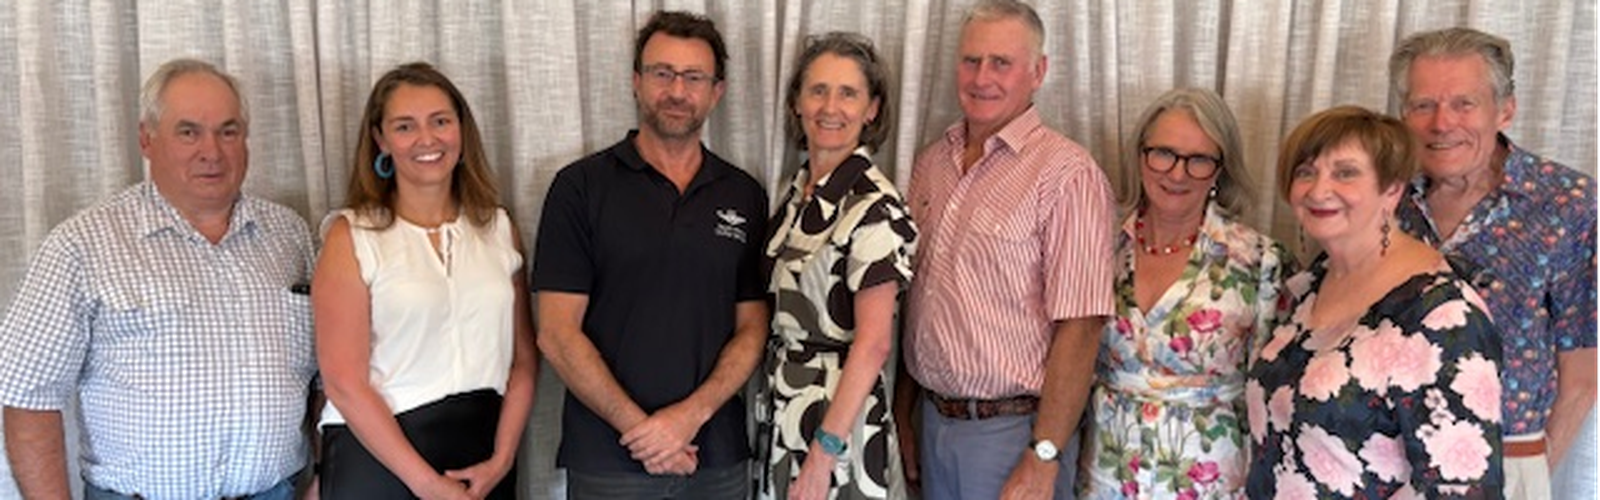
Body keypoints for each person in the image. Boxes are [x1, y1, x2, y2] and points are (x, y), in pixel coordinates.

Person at [0, 58, 316, 499]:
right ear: (146, 140)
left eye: (228, 131)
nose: (212, 151)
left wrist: (326, 478)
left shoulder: (291, 235)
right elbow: (29, 394)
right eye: (188, 132)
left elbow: (330, 378)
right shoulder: (83, 243)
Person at [532, 10, 768, 500]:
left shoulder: (745, 195)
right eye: (662, 73)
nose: (677, 91)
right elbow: (556, 333)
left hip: (715, 454)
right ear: (637, 82)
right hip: (609, 456)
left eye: (693, 77)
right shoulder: (579, 188)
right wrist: (645, 432)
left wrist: (689, 417)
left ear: (716, 92)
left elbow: (752, 328)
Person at [894, 1, 1117, 499]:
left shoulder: (1067, 176)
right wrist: (902, 414)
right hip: (932, 421)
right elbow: (918, 303)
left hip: (1015, 433)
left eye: (1002, 63)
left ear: (1038, 72)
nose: (982, 77)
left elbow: (1079, 330)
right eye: (971, 60)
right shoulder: (932, 164)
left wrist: (1044, 455)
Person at [1246, 106, 1504, 498]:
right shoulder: (1314, 283)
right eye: (1306, 172)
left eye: (1345, 172)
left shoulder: (1443, 314)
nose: (1318, 190)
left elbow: (1463, 490)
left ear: (1392, 189)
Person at [1388, 26, 1598, 500]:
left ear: (1505, 109)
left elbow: (1584, 376)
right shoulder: (1381, 198)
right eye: (1423, 105)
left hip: (1503, 465)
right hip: (1381, 462)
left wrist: (1527, 477)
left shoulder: (1569, 205)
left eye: (1465, 103)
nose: (1442, 123)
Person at [312, 62, 537, 499]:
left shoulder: (498, 228)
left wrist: (504, 458)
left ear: (461, 130)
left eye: (440, 121)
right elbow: (343, 381)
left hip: (480, 458)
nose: (427, 139)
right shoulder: (351, 235)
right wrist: (426, 484)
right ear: (380, 139)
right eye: (405, 126)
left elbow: (524, 362)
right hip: (380, 460)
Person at [1079, 87, 1292, 499]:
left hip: (1209, 480)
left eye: (1198, 160)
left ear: (1219, 170)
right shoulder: (1099, 247)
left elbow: (1269, 396)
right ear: (1140, 156)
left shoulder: (1260, 261)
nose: (1176, 174)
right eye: (1163, 153)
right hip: (1106, 472)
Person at [757, 32, 918, 500]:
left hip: (836, 420)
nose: (831, 106)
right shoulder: (796, 193)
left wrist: (824, 453)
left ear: (872, 109)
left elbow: (873, 345)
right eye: (818, 90)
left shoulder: (874, 206)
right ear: (796, 103)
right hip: (784, 402)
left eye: (849, 93)